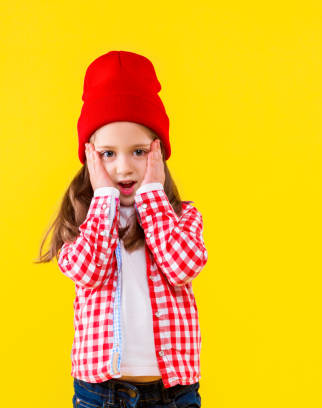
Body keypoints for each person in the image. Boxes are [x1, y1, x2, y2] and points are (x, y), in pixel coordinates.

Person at [34, 50, 207, 407]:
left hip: (172, 392)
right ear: (90, 156)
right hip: (101, 392)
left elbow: (183, 267)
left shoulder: (182, 217)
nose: (124, 167)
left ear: (159, 152)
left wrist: (153, 198)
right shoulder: (82, 220)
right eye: (108, 154)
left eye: (139, 152)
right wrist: (104, 201)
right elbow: (88, 271)